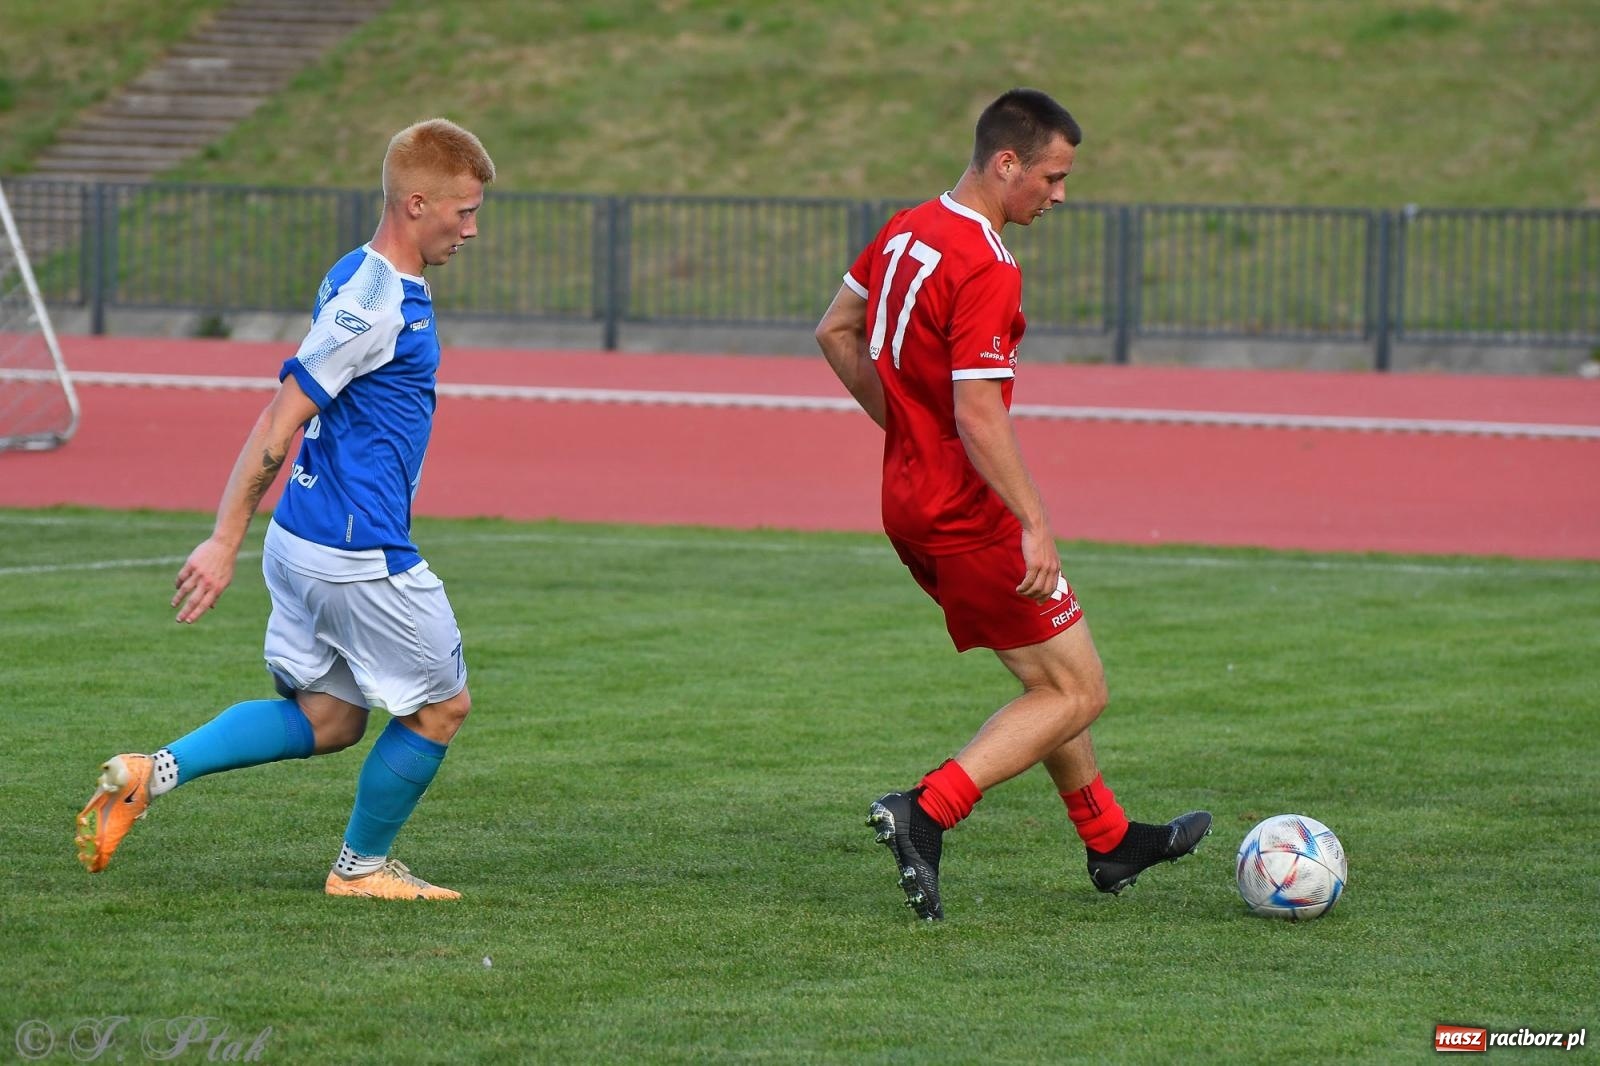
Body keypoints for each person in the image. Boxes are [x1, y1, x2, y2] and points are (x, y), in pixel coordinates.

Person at [74, 118, 496, 900]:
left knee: (332, 718)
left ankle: (147, 774)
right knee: (443, 708)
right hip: (353, 550)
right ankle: (360, 870)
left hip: (306, 538)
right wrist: (222, 537)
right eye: (462, 211)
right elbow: (280, 419)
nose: (471, 228)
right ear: (415, 203)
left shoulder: (361, 274)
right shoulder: (372, 306)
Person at [815, 89, 1210, 921]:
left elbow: (835, 330)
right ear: (1007, 164)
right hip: (966, 509)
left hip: (908, 498)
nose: (1059, 195)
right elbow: (979, 411)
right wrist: (1035, 521)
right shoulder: (986, 263)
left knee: (1047, 676)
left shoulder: (907, 227)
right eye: (1053, 176)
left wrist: (906, 431)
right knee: (1079, 689)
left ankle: (1108, 840)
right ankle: (927, 810)